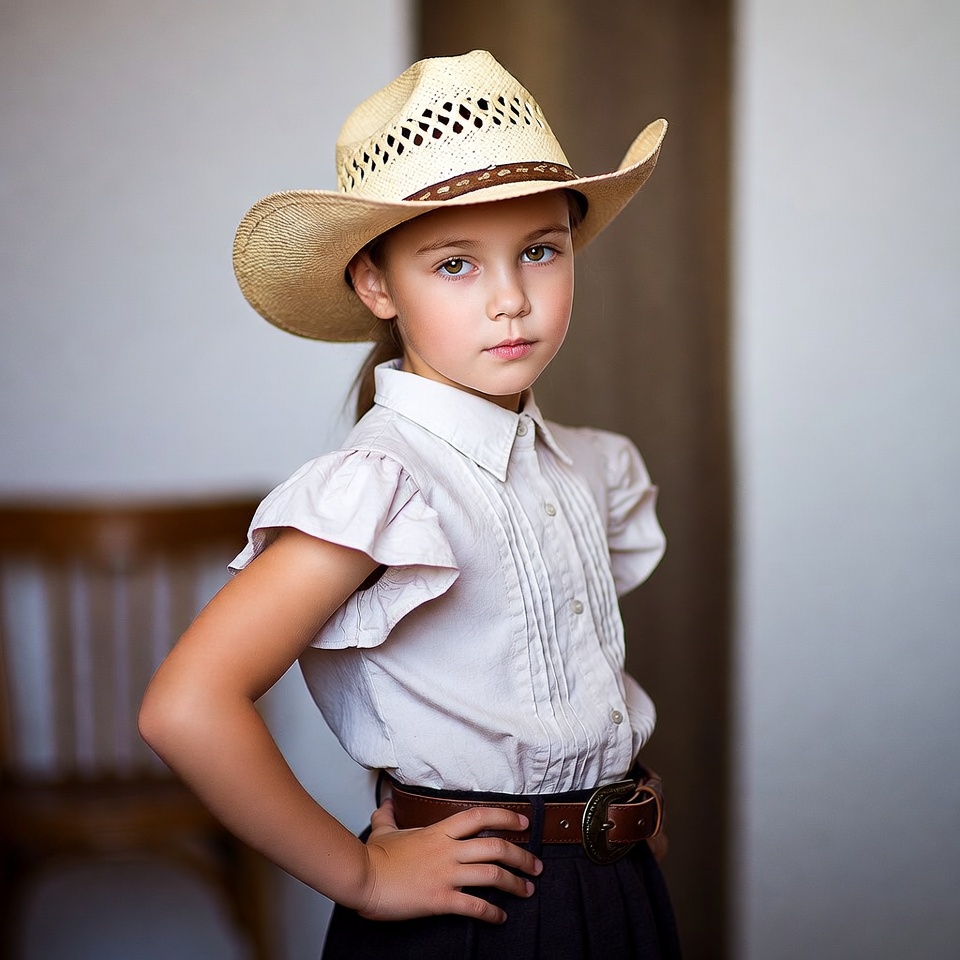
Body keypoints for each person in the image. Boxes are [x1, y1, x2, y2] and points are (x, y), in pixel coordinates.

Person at [139, 50, 681, 959]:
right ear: (377, 285)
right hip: (477, 913)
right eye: (456, 263)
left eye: (540, 251)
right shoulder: (382, 486)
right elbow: (186, 705)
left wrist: (619, 810)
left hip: (613, 888)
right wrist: (361, 876)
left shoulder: (590, 467)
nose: (511, 300)